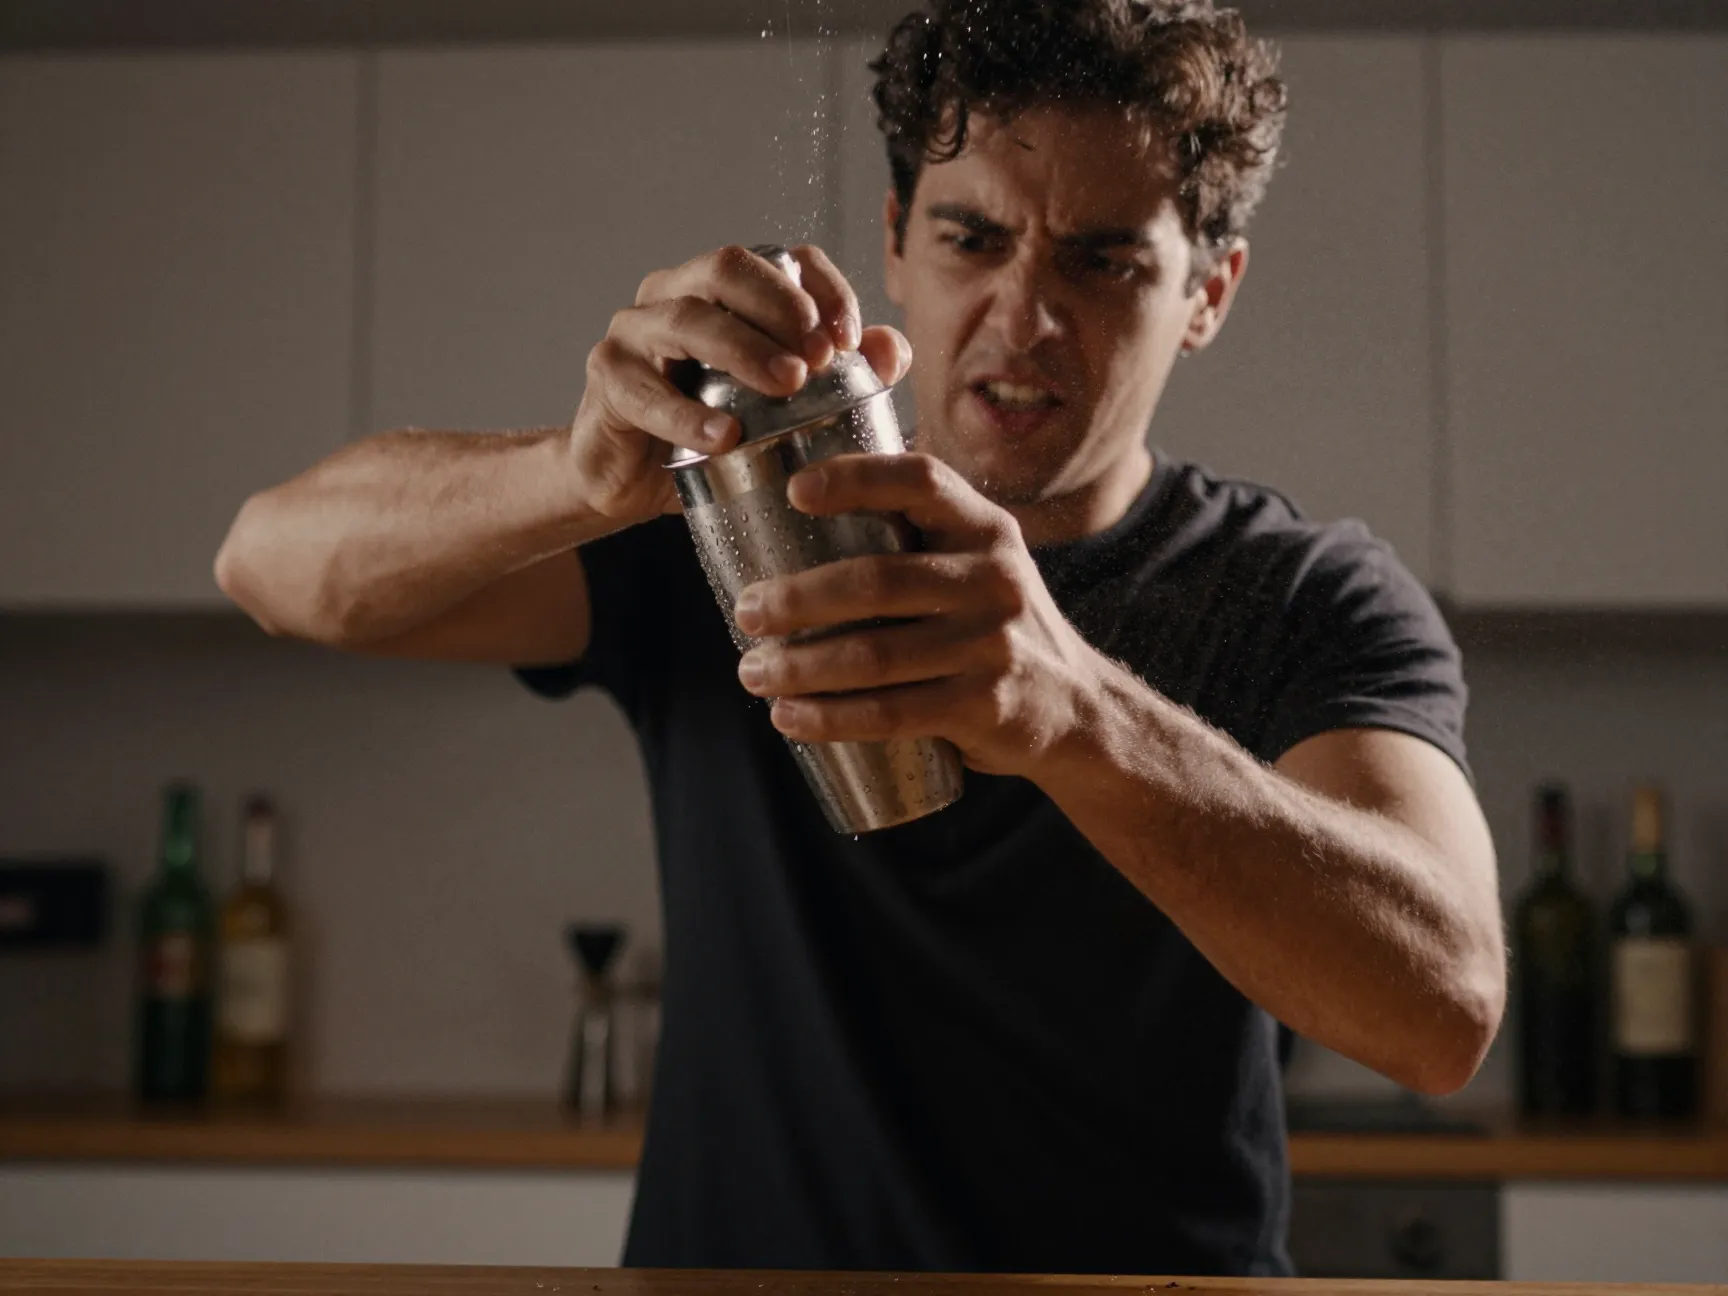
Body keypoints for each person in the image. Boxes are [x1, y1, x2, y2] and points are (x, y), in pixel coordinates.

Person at [215, 0, 1504, 1277]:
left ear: (1208, 291)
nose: (1023, 314)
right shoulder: (738, 520)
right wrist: (574, 475)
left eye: (1102, 260)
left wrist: (1075, 714)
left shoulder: (1303, 595)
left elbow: (1442, 1015)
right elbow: (273, 568)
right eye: (972, 237)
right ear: (895, 242)